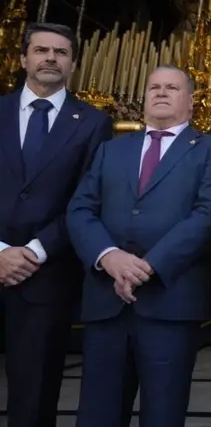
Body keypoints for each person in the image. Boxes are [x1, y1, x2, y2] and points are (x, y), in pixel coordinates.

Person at [67, 65, 211, 427]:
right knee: (97, 414)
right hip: (106, 302)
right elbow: (80, 210)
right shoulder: (111, 150)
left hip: (169, 304)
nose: (161, 92)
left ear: (191, 102)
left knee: (163, 414)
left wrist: (149, 266)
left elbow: (207, 217)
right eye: (154, 87)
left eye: (172, 87)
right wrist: (109, 257)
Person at [0, 22, 113, 427]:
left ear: (74, 64)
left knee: (34, 395)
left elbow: (88, 200)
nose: (50, 58)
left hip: (46, 274)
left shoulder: (94, 123)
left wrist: (33, 251)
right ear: (22, 58)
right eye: (41, 50)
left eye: (61, 52)